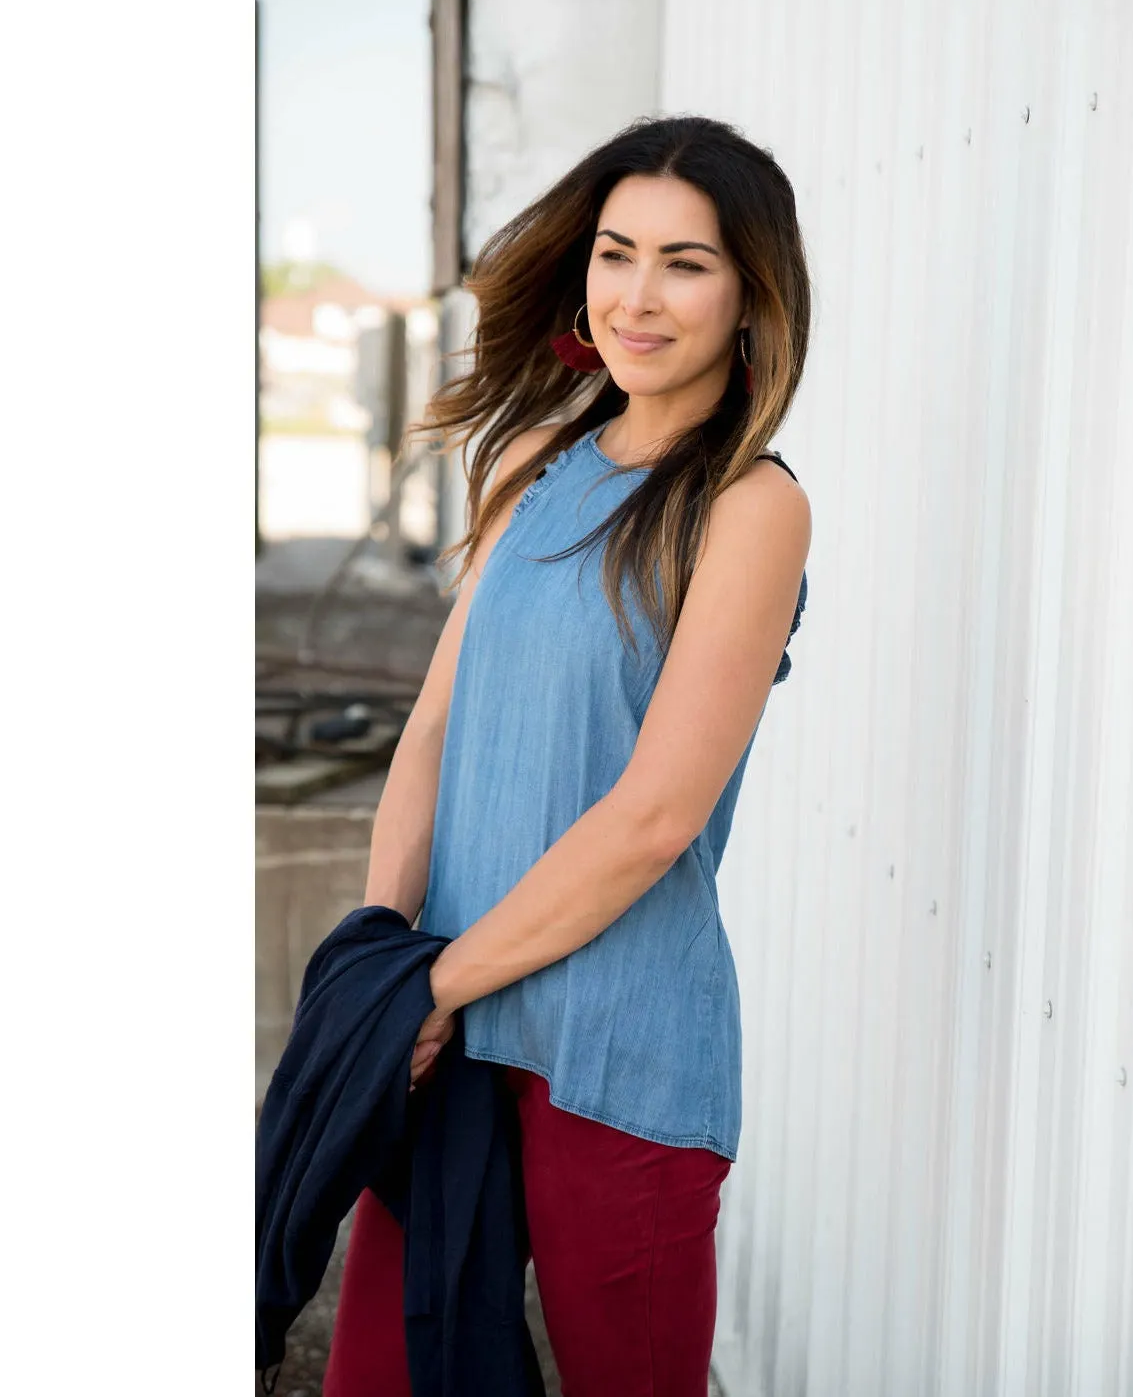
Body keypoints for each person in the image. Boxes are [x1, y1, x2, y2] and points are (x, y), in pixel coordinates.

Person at [322, 114, 813, 1397]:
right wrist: (386, 960)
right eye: (616, 252)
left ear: (752, 297)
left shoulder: (752, 508)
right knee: (383, 1375)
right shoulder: (534, 466)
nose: (636, 296)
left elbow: (655, 816)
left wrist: (433, 989)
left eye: (685, 263)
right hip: (448, 1027)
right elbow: (433, 728)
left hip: (621, 1047)